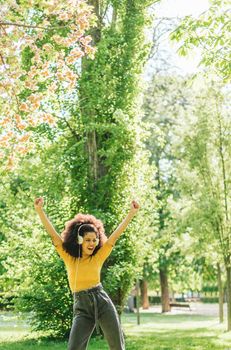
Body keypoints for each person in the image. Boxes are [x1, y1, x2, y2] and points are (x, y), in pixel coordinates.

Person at [34, 197, 139, 350]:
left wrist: (131, 213)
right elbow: (54, 237)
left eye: (94, 240)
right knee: (74, 348)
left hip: (102, 302)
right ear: (79, 240)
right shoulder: (69, 258)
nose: (91, 243)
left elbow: (113, 238)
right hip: (81, 307)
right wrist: (40, 210)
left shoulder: (97, 257)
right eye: (88, 240)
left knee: (117, 346)